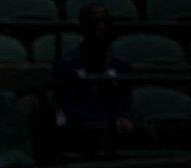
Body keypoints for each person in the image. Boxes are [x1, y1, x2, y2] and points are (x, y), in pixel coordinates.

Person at [53, 3, 134, 153]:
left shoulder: (121, 63)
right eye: (95, 23)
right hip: (83, 124)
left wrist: (124, 117)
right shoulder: (66, 64)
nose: (101, 27)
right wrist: (104, 121)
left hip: (113, 123)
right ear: (83, 28)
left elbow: (125, 99)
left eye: (105, 22)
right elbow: (67, 106)